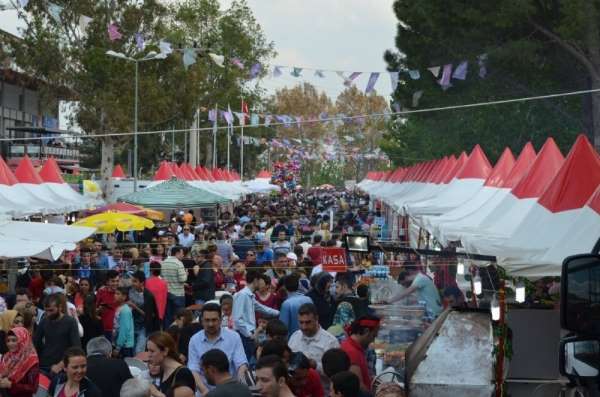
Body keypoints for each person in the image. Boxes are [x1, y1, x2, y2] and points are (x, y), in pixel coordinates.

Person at [187, 303, 248, 391]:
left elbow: (241, 364)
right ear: (202, 320)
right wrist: (204, 391)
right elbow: (193, 368)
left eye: (214, 320)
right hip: (204, 390)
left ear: (221, 320)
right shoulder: (194, 340)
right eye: (207, 320)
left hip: (229, 390)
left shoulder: (234, 337)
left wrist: (240, 386)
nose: (210, 324)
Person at [233, 270, 280, 362]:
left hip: (249, 333)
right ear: (255, 280)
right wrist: (249, 334)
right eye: (260, 281)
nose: (262, 284)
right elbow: (237, 319)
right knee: (246, 360)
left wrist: (278, 312)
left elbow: (261, 307)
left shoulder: (250, 295)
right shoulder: (243, 295)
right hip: (244, 334)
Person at [33, 293, 81, 375]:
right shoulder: (44, 321)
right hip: (44, 364)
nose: (48, 314)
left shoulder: (70, 322)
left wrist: (61, 364)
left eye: (51, 310)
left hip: (62, 365)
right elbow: (35, 343)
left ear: (60, 307)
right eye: (46, 310)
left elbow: (76, 347)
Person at [288, 303, 339, 376]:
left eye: (308, 322)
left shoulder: (331, 342)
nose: (304, 327)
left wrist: (315, 366)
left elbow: (335, 373)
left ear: (316, 319)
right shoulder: (295, 336)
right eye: (301, 322)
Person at [146, 331, 197, 396]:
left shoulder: (183, 374)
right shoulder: (164, 369)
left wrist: (156, 392)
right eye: (148, 350)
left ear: (165, 351)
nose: (148, 355)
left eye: (152, 351)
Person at [339, 316, 380, 392]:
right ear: (367, 331)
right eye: (373, 336)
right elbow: (358, 386)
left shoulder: (356, 347)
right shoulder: (351, 351)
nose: (373, 340)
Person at [0, 326, 39, 397]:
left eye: (14, 340)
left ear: (23, 340)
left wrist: (11, 385)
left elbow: (33, 387)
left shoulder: (31, 361)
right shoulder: (6, 357)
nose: (10, 344)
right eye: (8, 340)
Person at [129, 271, 161, 355]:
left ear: (142, 282)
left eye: (135, 281)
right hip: (132, 324)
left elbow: (149, 315)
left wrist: (135, 307)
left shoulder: (148, 296)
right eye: (132, 281)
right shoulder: (130, 291)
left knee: (139, 350)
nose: (132, 283)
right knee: (132, 347)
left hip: (144, 326)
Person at [161, 246, 188, 328]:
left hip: (167, 293)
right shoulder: (179, 263)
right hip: (178, 294)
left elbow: (162, 277)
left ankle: (167, 334)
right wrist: (186, 274)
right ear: (177, 253)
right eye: (182, 253)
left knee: (168, 316)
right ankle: (178, 334)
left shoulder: (164, 262)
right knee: (179, 316)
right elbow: (183, 279)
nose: (183, 255)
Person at [96, 270, 119, 341]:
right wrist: (99, 310)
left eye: (117, 281)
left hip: (119, 329)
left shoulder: (121, 293)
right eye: (113, 281)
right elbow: (94, 310)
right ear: (107, 282)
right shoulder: (101, 292)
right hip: (105, 329)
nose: (115, 283)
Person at [114, 287, 135, 358]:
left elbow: (124, 330)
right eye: (115, 293)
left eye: (118, 294)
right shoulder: (118, 307)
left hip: (125, 345)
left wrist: (118, 348)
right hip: (119, 343)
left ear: (124, 297)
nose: (115, 295)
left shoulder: (125, 310)